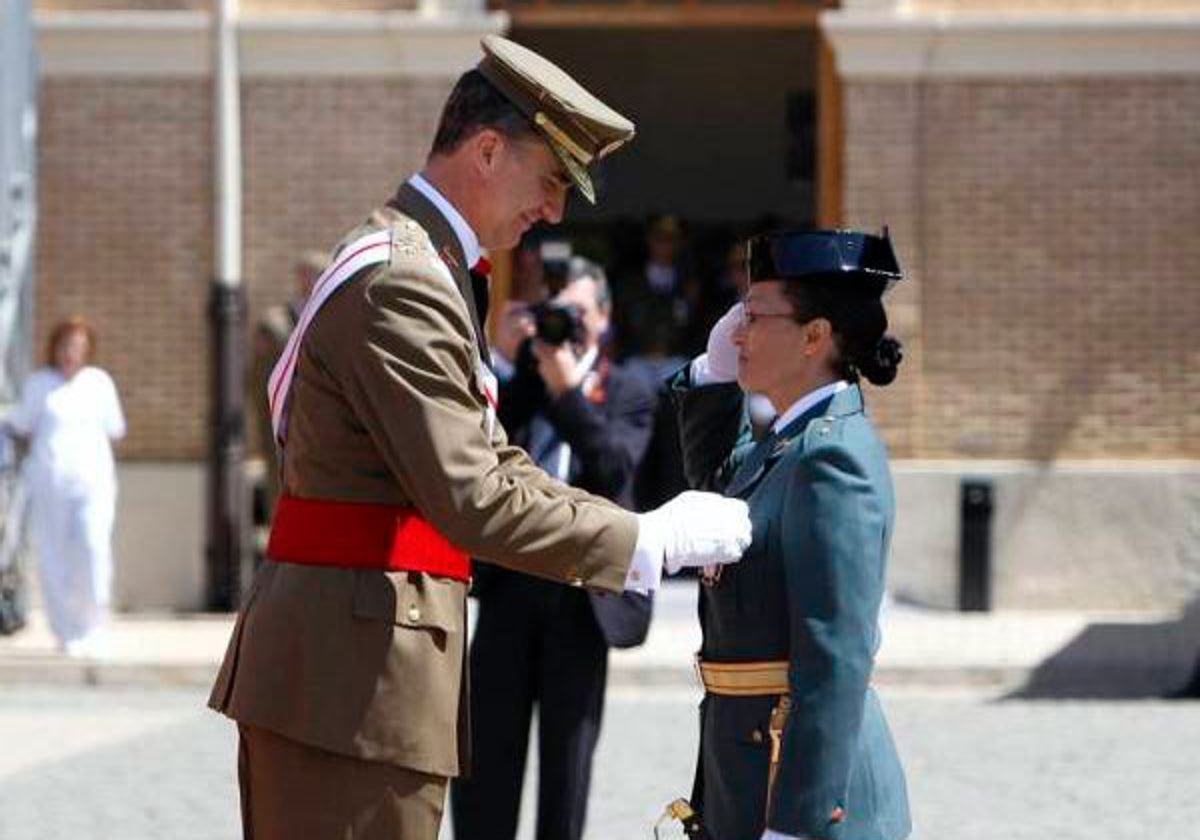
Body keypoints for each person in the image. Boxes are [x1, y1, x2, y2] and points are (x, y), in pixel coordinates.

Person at [207, 35, 752, 840]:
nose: (556, 211)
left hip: (358, 674)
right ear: (488, 149)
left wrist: (636, 532)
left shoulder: (427, 267)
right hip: (347, 684)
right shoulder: (404, 280)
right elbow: (471, 493)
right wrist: (640, 539)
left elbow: (493, 459)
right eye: (552, 180)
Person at [667, 229, 912, 840]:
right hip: (748, 772)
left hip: (807, 795)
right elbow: (722, 481)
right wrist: (713, 373)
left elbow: (835, 657)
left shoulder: (833, 457)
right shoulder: (787, 441)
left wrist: (798, 823)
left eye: (753, 316)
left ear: (814, 336)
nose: (740, 332)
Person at [452, 257, 656, 840]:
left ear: (606, 318)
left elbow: (613, 467)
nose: (569, 326)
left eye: (579, 314)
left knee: (567, 767)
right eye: (557, 313)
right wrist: (520, 367)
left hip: (580, 598)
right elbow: (478, 451)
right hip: (509, 587)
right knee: (485, 758)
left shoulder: (628, 390)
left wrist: (568, 389)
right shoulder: (523, 388)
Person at [2, 317, 125, 656]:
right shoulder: (40, 384)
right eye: (65, 347)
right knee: (54, 556)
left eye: (78, 347)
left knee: (92, 548)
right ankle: (65, 630)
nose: (71, 354)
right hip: (50, 483)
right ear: (54, 348)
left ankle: (93, 624)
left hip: (92, 483)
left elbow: (115, 428)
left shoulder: (99, 383)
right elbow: (22, 424)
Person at [249, 249, 325, 523]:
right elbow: (257, 381)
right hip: (283, 426)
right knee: (281, 496)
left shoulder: (331, 317)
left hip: (321, 428)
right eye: (309, 275)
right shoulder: (275, 325)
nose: (313, 281)